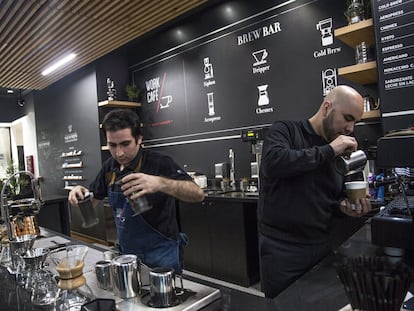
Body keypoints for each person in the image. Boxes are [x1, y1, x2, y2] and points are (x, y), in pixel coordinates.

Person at [257, 85, 372, 298]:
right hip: (282, 252)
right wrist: (330, 150)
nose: (350, 128)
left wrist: (344, 207)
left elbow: (328, 198)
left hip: (322, 248)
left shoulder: (338, 151)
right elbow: (274, 163)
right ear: (327, 108)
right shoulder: (286, 131)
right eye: (347, 118)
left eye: (355, 122)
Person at [68, 108, 204, 273]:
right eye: (112, 145)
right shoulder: (109, 167)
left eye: (125, 144)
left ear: (139, 139)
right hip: (127, 254)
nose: (119, 153)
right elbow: (93, 198)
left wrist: (160, 183)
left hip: (161, 253)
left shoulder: (159, 162)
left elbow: (197, 194)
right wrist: (79, 195)